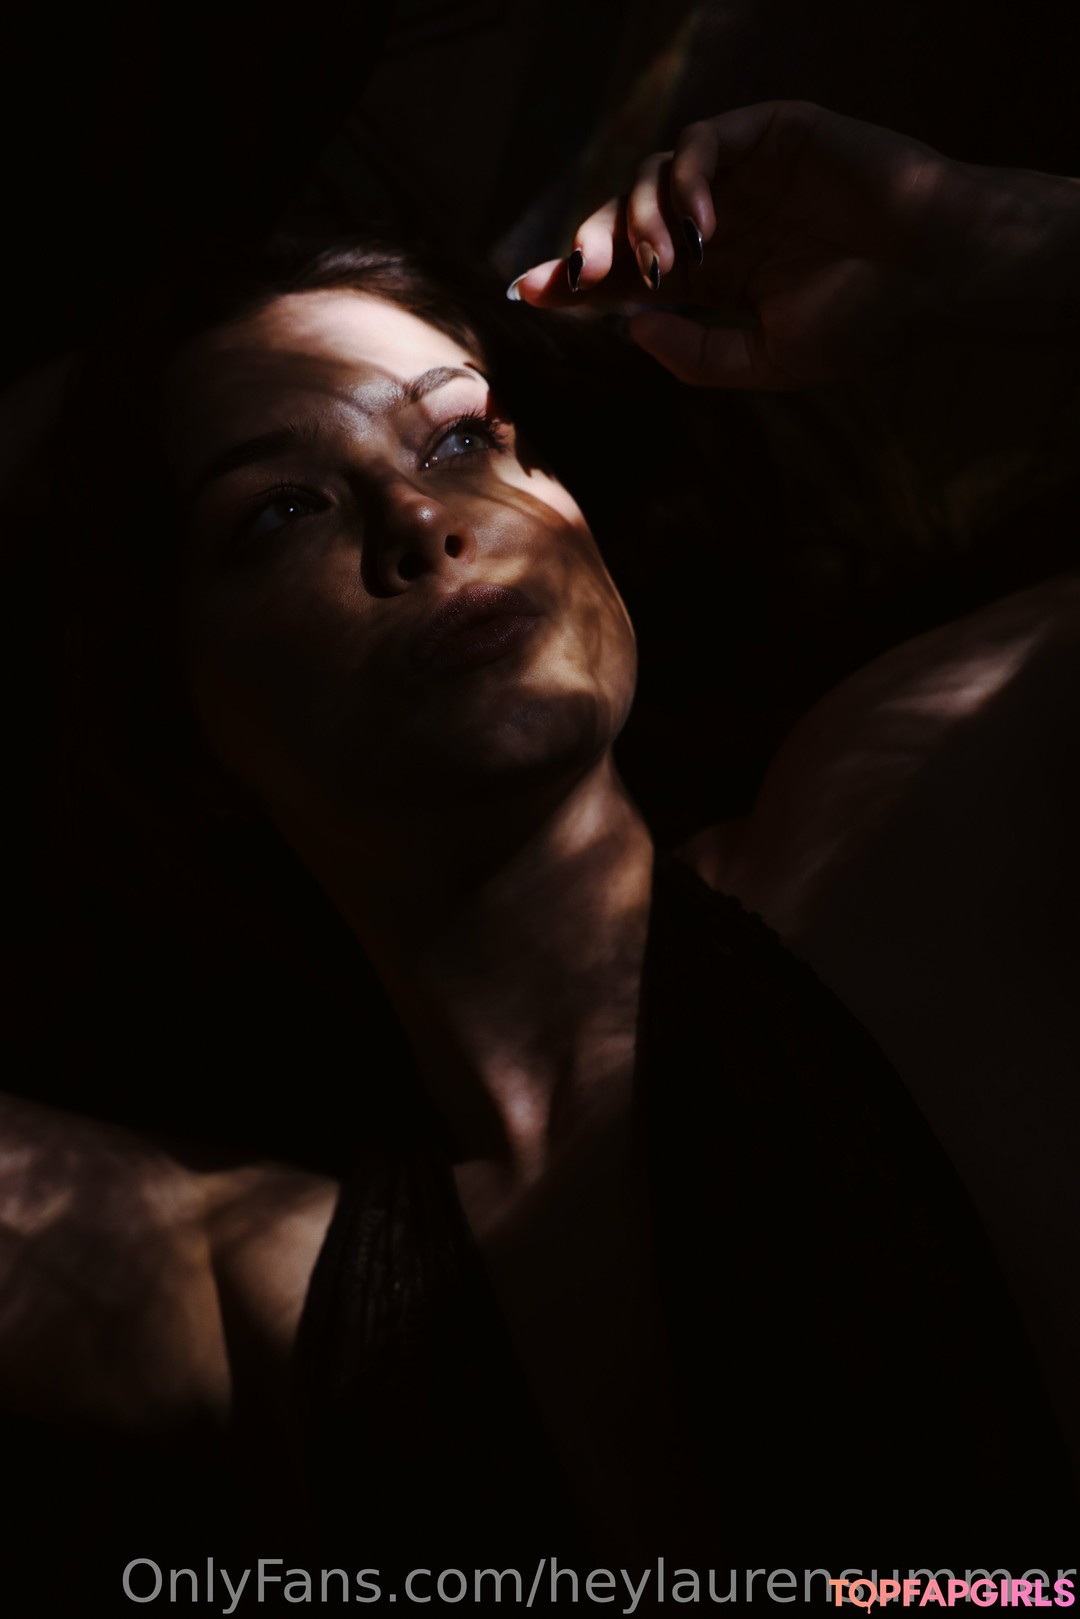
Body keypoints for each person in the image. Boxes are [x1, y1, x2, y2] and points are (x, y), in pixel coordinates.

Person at [2, 100, 1078, 1602]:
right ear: (181, 737)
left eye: (459, 436)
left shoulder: (927, 813)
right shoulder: (248, 1288)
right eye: (281, 511)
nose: (420, 518)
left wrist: (997, 242)